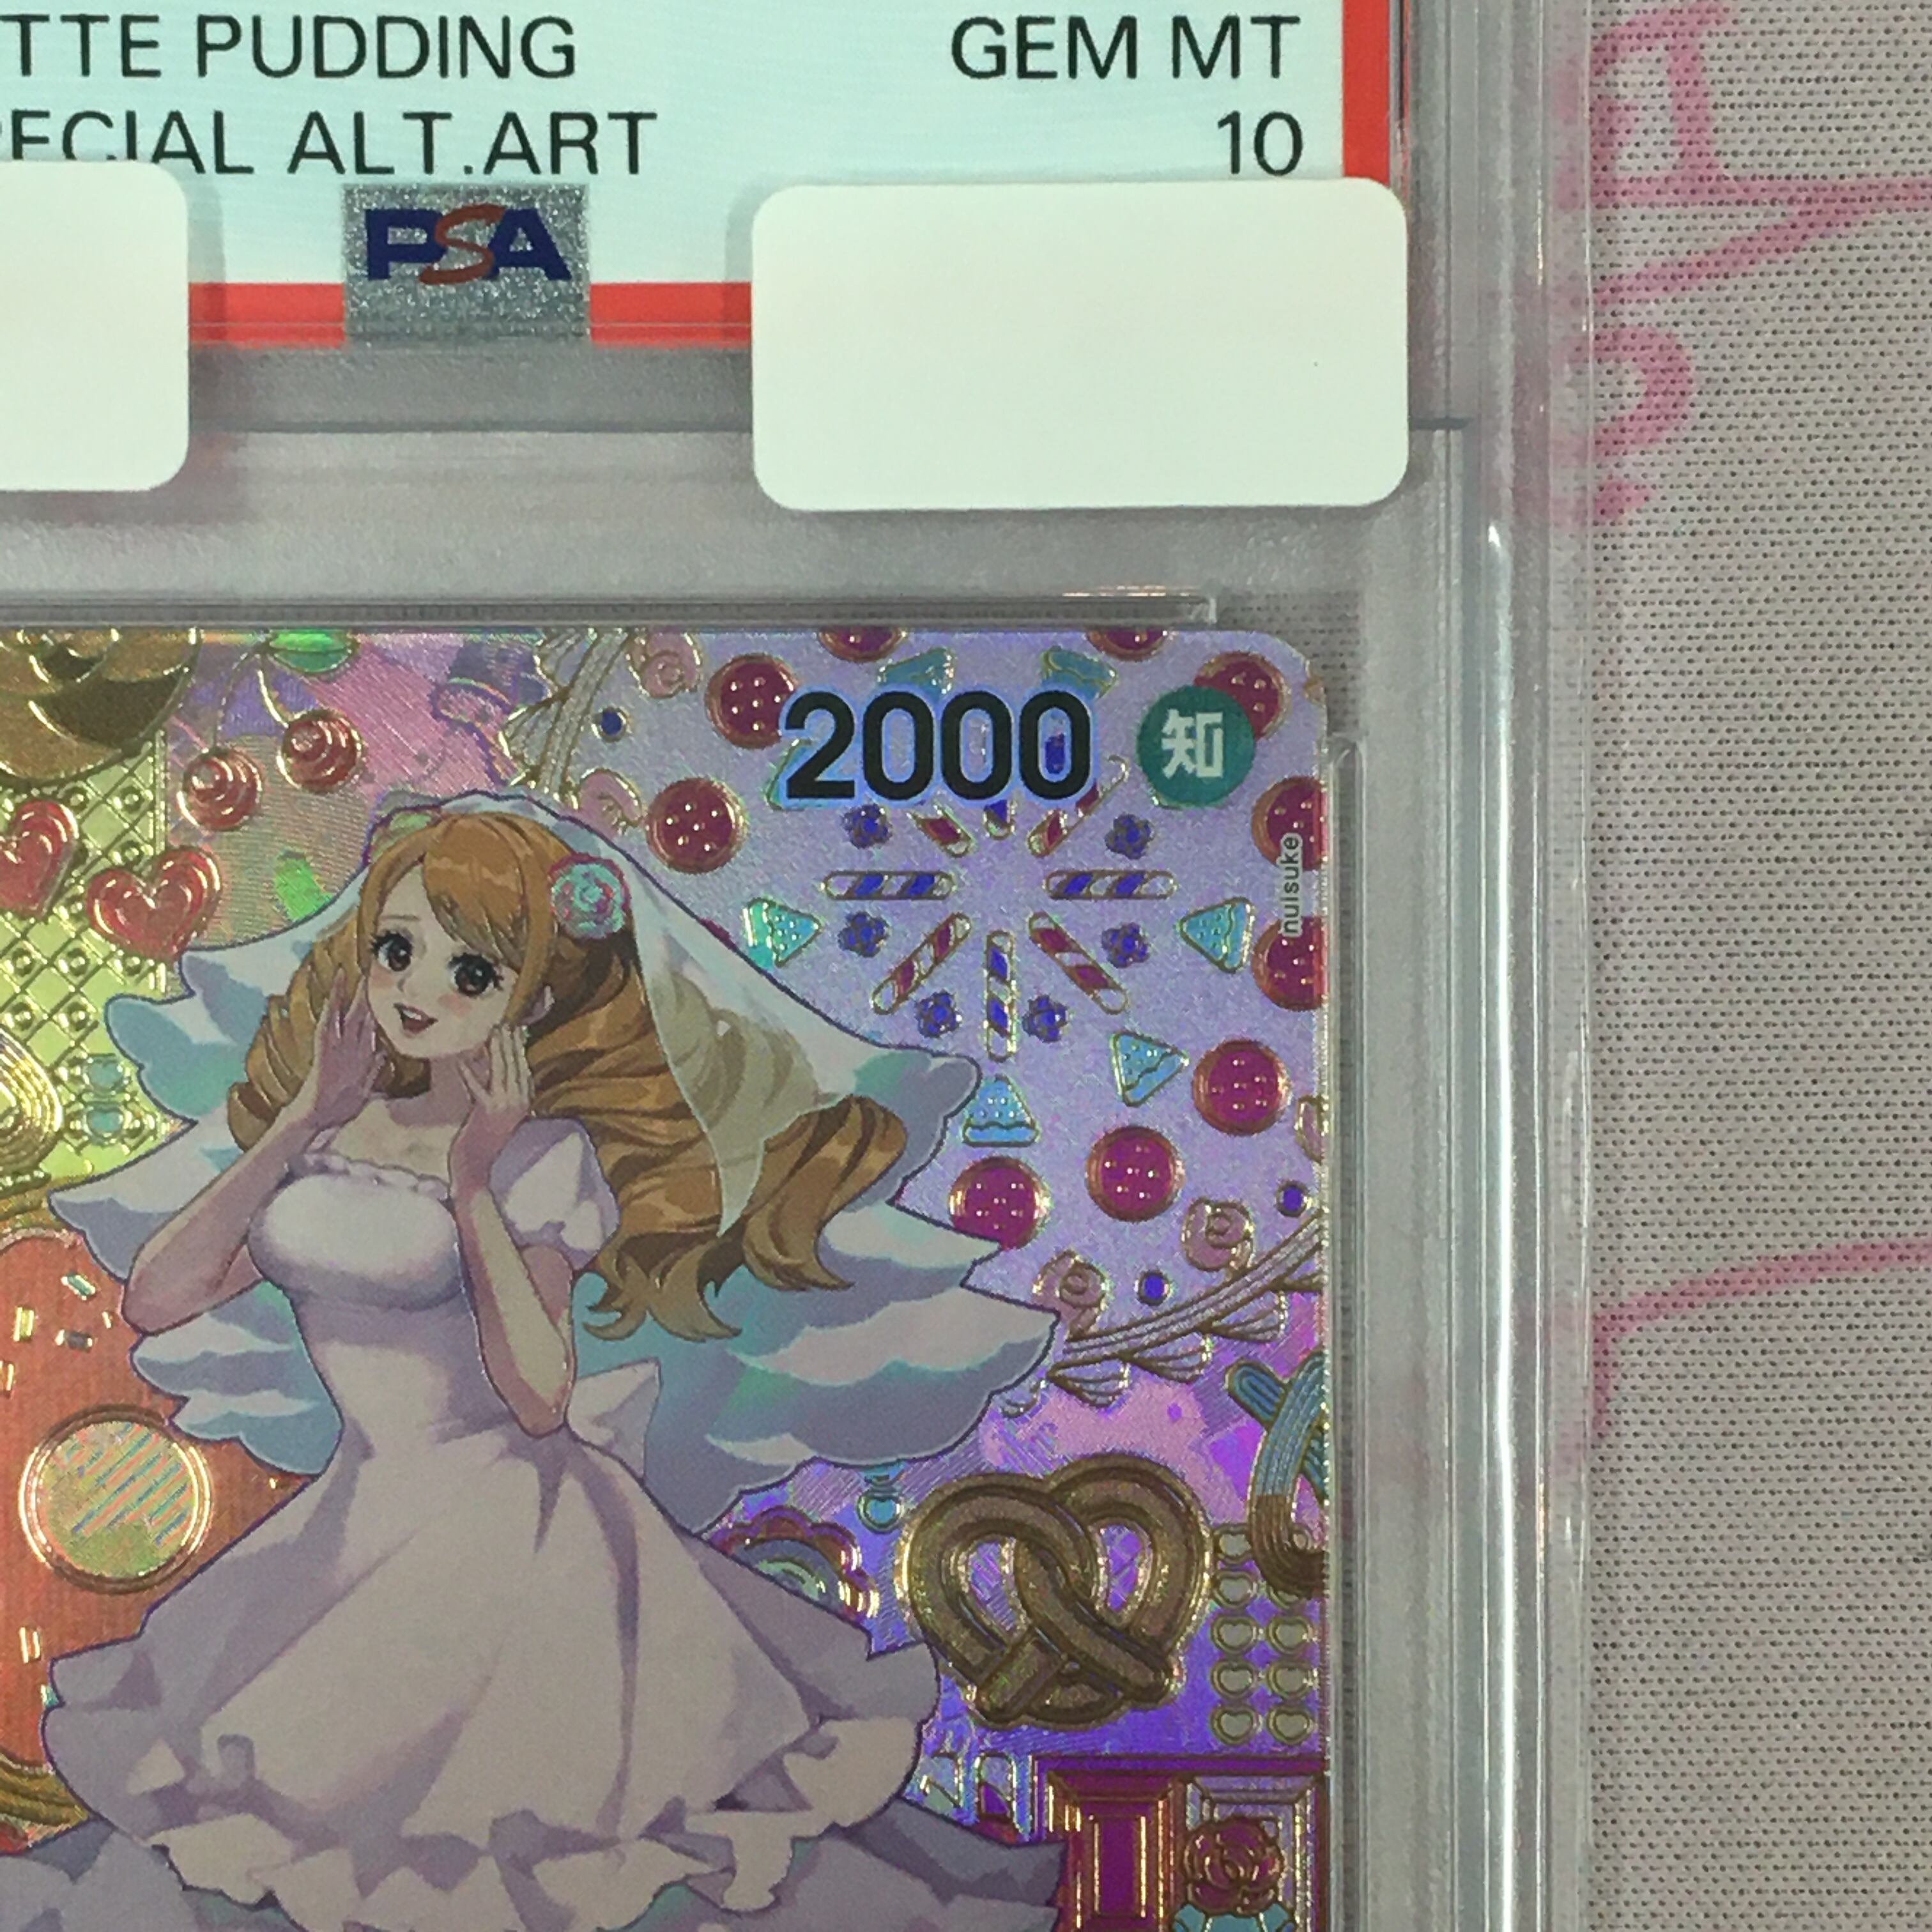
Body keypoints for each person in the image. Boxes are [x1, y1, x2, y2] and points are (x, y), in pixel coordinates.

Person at [3, 797, 1060, 1932]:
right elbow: (160, 1296)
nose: (418, 989)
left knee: (511, 1835)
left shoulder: (541, 1159)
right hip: (353, 1516)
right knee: (316, 1812)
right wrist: (302, 1116)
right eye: (398, 949)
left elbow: (541, 1396)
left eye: (472, 974)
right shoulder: (325, 1138)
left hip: (510, 1523)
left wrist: (474, 1186)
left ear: (533, 1001)